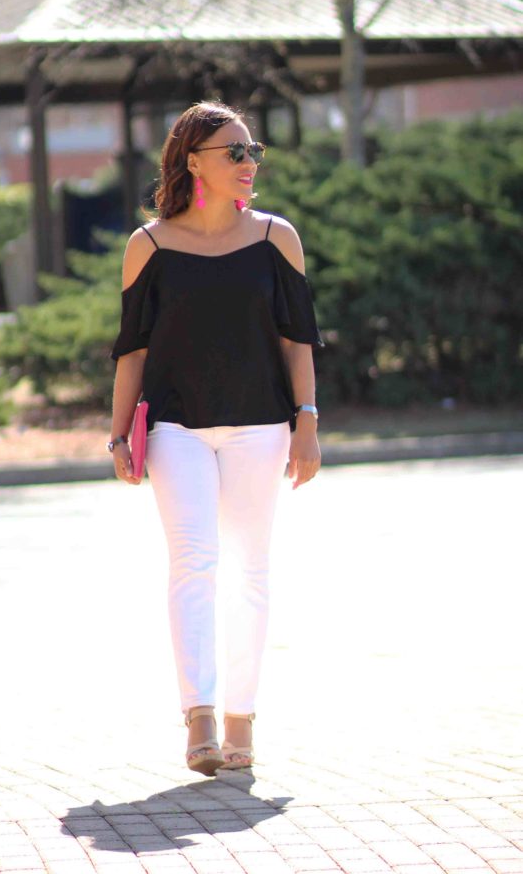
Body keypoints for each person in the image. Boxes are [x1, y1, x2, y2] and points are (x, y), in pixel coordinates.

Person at [108, 101, 323, 776]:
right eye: (234, 152)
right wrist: (118, 434)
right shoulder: (148, 247)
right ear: (193, 162)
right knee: (194, 563)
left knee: (251, 571)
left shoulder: (276, 238)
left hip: (262, 425)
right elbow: (133, 350)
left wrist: (307, 421)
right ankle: (198, 715)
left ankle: (240, 719)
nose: (248, 162)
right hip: (176, 428)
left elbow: (297, 340)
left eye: (252, 150)